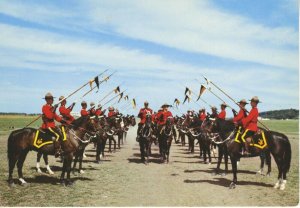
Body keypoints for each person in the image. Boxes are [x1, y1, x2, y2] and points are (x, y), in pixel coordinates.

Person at [41, 92, 65, 157]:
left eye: (52, 99)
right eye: (51, 99)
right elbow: (50, 116)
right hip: (47, 126)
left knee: (62, 133)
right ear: (47, 100)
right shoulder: (44, 107)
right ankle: (57, 151)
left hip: (52, 125)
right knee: (57, 135)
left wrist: (62, 121)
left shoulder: (51, 107)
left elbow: (55, 117)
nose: (53, 100)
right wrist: (54, 109)